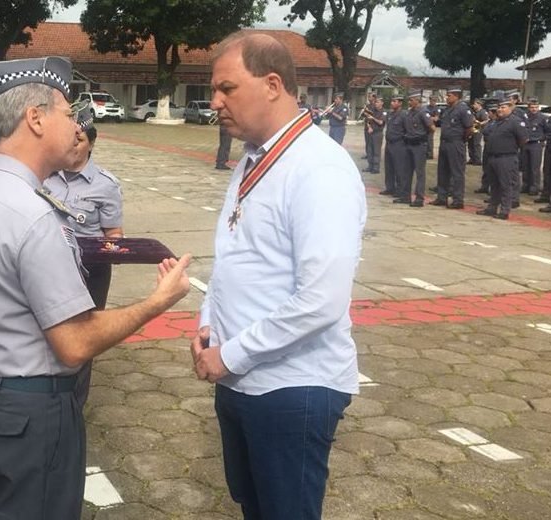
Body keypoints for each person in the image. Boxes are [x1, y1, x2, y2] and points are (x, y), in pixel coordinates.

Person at [0, 56, 191, 520]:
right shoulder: (34, 216)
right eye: (68, 112)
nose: (78, 126)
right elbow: (75, 343)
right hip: (33, 412)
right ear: (35, 118)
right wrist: (158, 302)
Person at [192, 31, 365, 520]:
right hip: (242, 375)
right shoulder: (255, 156)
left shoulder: (318, 169)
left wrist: (231, 354)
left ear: (272, 84)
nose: (215, 102)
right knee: (255, 505)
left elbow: (321, 300)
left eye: (227, 88)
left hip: (292, 385)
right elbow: (238, 254)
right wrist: (210, 326)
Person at [42, 108, 124, 405]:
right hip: (48, 268)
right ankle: (48, 395)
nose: (72, 143)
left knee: (84, 337)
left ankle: (75, 404)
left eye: (78, 138)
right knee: (50, 333)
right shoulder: (46, 175)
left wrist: (117, 251)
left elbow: (114, 235)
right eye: (69, 137)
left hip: (91, 272)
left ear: (90, 143)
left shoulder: (105, 185)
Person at [476, 98, 527, 220]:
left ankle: (504, 210)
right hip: (493, 157)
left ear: (510, 108)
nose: (499, 110)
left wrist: (510, 148)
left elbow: (523, 140)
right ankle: (492, 207)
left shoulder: (515, 122)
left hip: (506, 158)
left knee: (506, 185)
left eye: (503, 107)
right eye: (499, 107)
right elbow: (487, 133)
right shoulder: (495, 122)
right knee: (494, 185)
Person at [430, 87, 474, 209]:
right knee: (442, 171)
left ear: (456, 96)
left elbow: (469, 128)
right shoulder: (447, 109)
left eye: (449, 95)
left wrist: (461, 139)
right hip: (444, 143)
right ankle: (441, 197)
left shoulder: (463, 109)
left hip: (456, 143)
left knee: (457, 172)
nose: (446, 97)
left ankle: (458, 199)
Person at [394, 90, 433, 207]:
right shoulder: (409, 113)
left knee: (420, 173)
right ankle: (406, 196)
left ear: (417, 100)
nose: (409, 102)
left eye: (411, 100)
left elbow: (432, 127)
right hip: (409, 144)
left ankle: (419, 198)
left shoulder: (423, 112)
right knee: (407, 171)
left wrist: (422, 137)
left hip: (419, 145)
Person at [520, 97, 547, 197]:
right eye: (532, 107)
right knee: (525, 166)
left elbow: (547, 131)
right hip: (525, 144)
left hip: (536, 143)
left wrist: (542, 140)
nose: (534, 109)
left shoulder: (542, 118)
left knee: (534, 167)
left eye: (536, 107)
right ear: (528, 108)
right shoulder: (525, 117)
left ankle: (534, 187)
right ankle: (525, 185)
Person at [383, 94, 406, 196]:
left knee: (399, 168)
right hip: (389, 144)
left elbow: (407, 130)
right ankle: (390, 188)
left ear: (400, 103)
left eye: (394, 101)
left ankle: (400, 189)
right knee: (389, 167)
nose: (392, 103)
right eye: (392, 101)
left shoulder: (404, 115)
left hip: (399, 144)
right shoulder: (390, 114)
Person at [364, 97, 386, 173]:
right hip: (371, 133)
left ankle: (376, 168)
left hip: (378, 134)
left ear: (382, 103)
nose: (376, 103)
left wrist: (373, 118)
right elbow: (367, 120)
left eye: (377, 102)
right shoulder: (373, 111)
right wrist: (369, 127)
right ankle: (370, 166)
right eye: (375, 102)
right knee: (370, 150)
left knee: (376, 151)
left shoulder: (383, 112)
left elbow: (381, 122)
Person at [468, 98, 487, 165]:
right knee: (470, 144)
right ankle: (472, 158)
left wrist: (478, 122)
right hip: (472, 129)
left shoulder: (482, 112)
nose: (473, 105)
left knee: (476, 144)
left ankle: (477, 160)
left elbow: (486, 120)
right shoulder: (474, 112)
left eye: (475, 104)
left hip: (478, 130)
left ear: (479, 104)